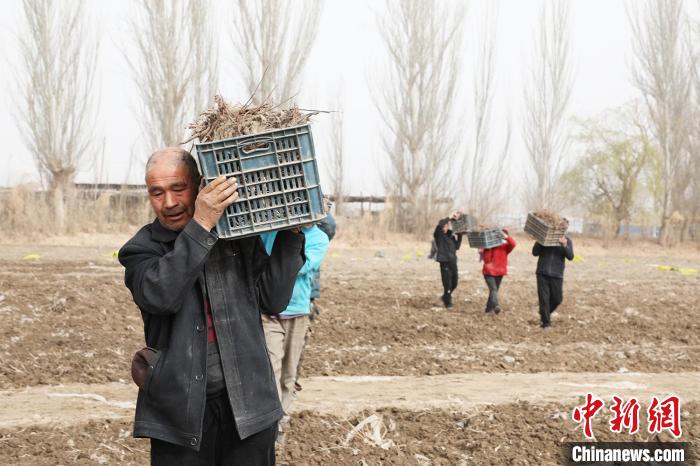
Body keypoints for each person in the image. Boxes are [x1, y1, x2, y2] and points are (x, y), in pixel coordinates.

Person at [118, 148, 305, 465]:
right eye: (157, 193)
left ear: (200, 184)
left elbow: (274, 299)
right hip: (180, 416)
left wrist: (293, 230)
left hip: (249, 409)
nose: (169, 202)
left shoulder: (234, 237)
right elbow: (161, 295)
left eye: (179, 188)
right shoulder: (141, 249)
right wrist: (201, 225)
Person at [260, 223, 330, 442]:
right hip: (267, 313)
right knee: (271, 368)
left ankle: (282, 415)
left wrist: (276, 262)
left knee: (289, 375)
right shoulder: (269, 229)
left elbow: (301, 267)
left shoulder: (319, 238)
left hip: (297, 311)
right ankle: (270, 423)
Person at [532, 235, 574, 329]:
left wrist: (565, 245)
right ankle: (546, 323)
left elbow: (570, 256)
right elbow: (534, 253)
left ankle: (544, 313)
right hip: (542, 273)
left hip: (557, 274)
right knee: (544, 299)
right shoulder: (545, 237)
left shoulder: (567, 240)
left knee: (557, 299)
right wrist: (540, 241)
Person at [480, 229, 516, 314]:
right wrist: (487, 248)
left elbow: (513, 244)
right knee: (493, 289)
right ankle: (496, 305)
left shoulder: (506, 247)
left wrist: (507, 237)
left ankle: (488, 309)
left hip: (500, 272)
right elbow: (486, 259)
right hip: (489, 272)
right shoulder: (489, 245)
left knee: (494, 291)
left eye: (503, 236)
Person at [433, 212, 464, 308]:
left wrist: (460, 235)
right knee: (447, 283)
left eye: (447, 225)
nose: (446, 226)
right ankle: (448, 302)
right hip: (444, 261)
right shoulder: (438, 234)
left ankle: (446, 296)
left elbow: (457, 246)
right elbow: (440, 224)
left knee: (454, 283)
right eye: (444, 225)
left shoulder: (451, 236)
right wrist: (450, 217)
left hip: (453, 261)